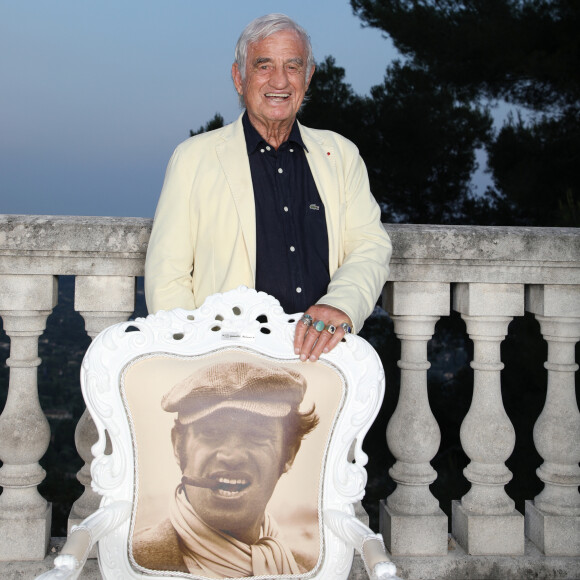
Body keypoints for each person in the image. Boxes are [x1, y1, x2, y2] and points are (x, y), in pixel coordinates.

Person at [144, 13, 392, 362]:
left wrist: (340, 305)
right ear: (238, 77)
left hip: (322, 359)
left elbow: (369, 246)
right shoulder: (193, 159)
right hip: (228, 364)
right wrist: (195, 360)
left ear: (308, 77)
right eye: (264, 66)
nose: (280, 81)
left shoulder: (341, 155)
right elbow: (167, 276)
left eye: (293, 66)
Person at [132, 359, 320, 577]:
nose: (232, 456)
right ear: (177, 446)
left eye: (256, 435)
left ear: (289, 453)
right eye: (211, 433)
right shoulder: (131, 564)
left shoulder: (312, 570)